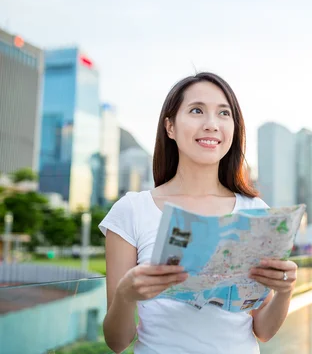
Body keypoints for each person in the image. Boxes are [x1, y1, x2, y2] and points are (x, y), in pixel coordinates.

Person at [99, 72, 298, 353]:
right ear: (170, 127)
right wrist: (125, 295)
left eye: (223, 113)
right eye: (196, 110)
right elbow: (117, 342)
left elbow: (263, 330)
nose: (211, 124)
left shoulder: (255, 212)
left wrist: (284, 291)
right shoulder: (131, 210)